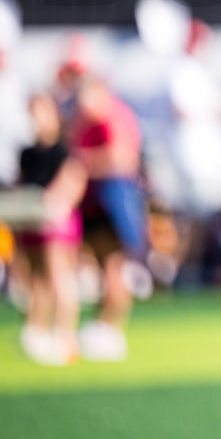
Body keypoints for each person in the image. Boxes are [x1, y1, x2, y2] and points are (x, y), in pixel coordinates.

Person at [70, 76, 148, 361]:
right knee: (103, 264)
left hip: (115, 196)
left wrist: (83, 161)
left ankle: (111, 328)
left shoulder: (113, 117)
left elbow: (123, 158)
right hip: (96, 199)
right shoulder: (86, 120)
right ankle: (101, 325)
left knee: (115, 265)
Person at [16, 92, 87, 365]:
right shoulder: (27, 153)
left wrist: (55, 205)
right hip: (32, 221)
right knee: (37, 278)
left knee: (59, 277)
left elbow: (73, 182)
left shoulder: (64, 151)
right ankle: (36, 331)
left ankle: (65, 336)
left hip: (57, 222)